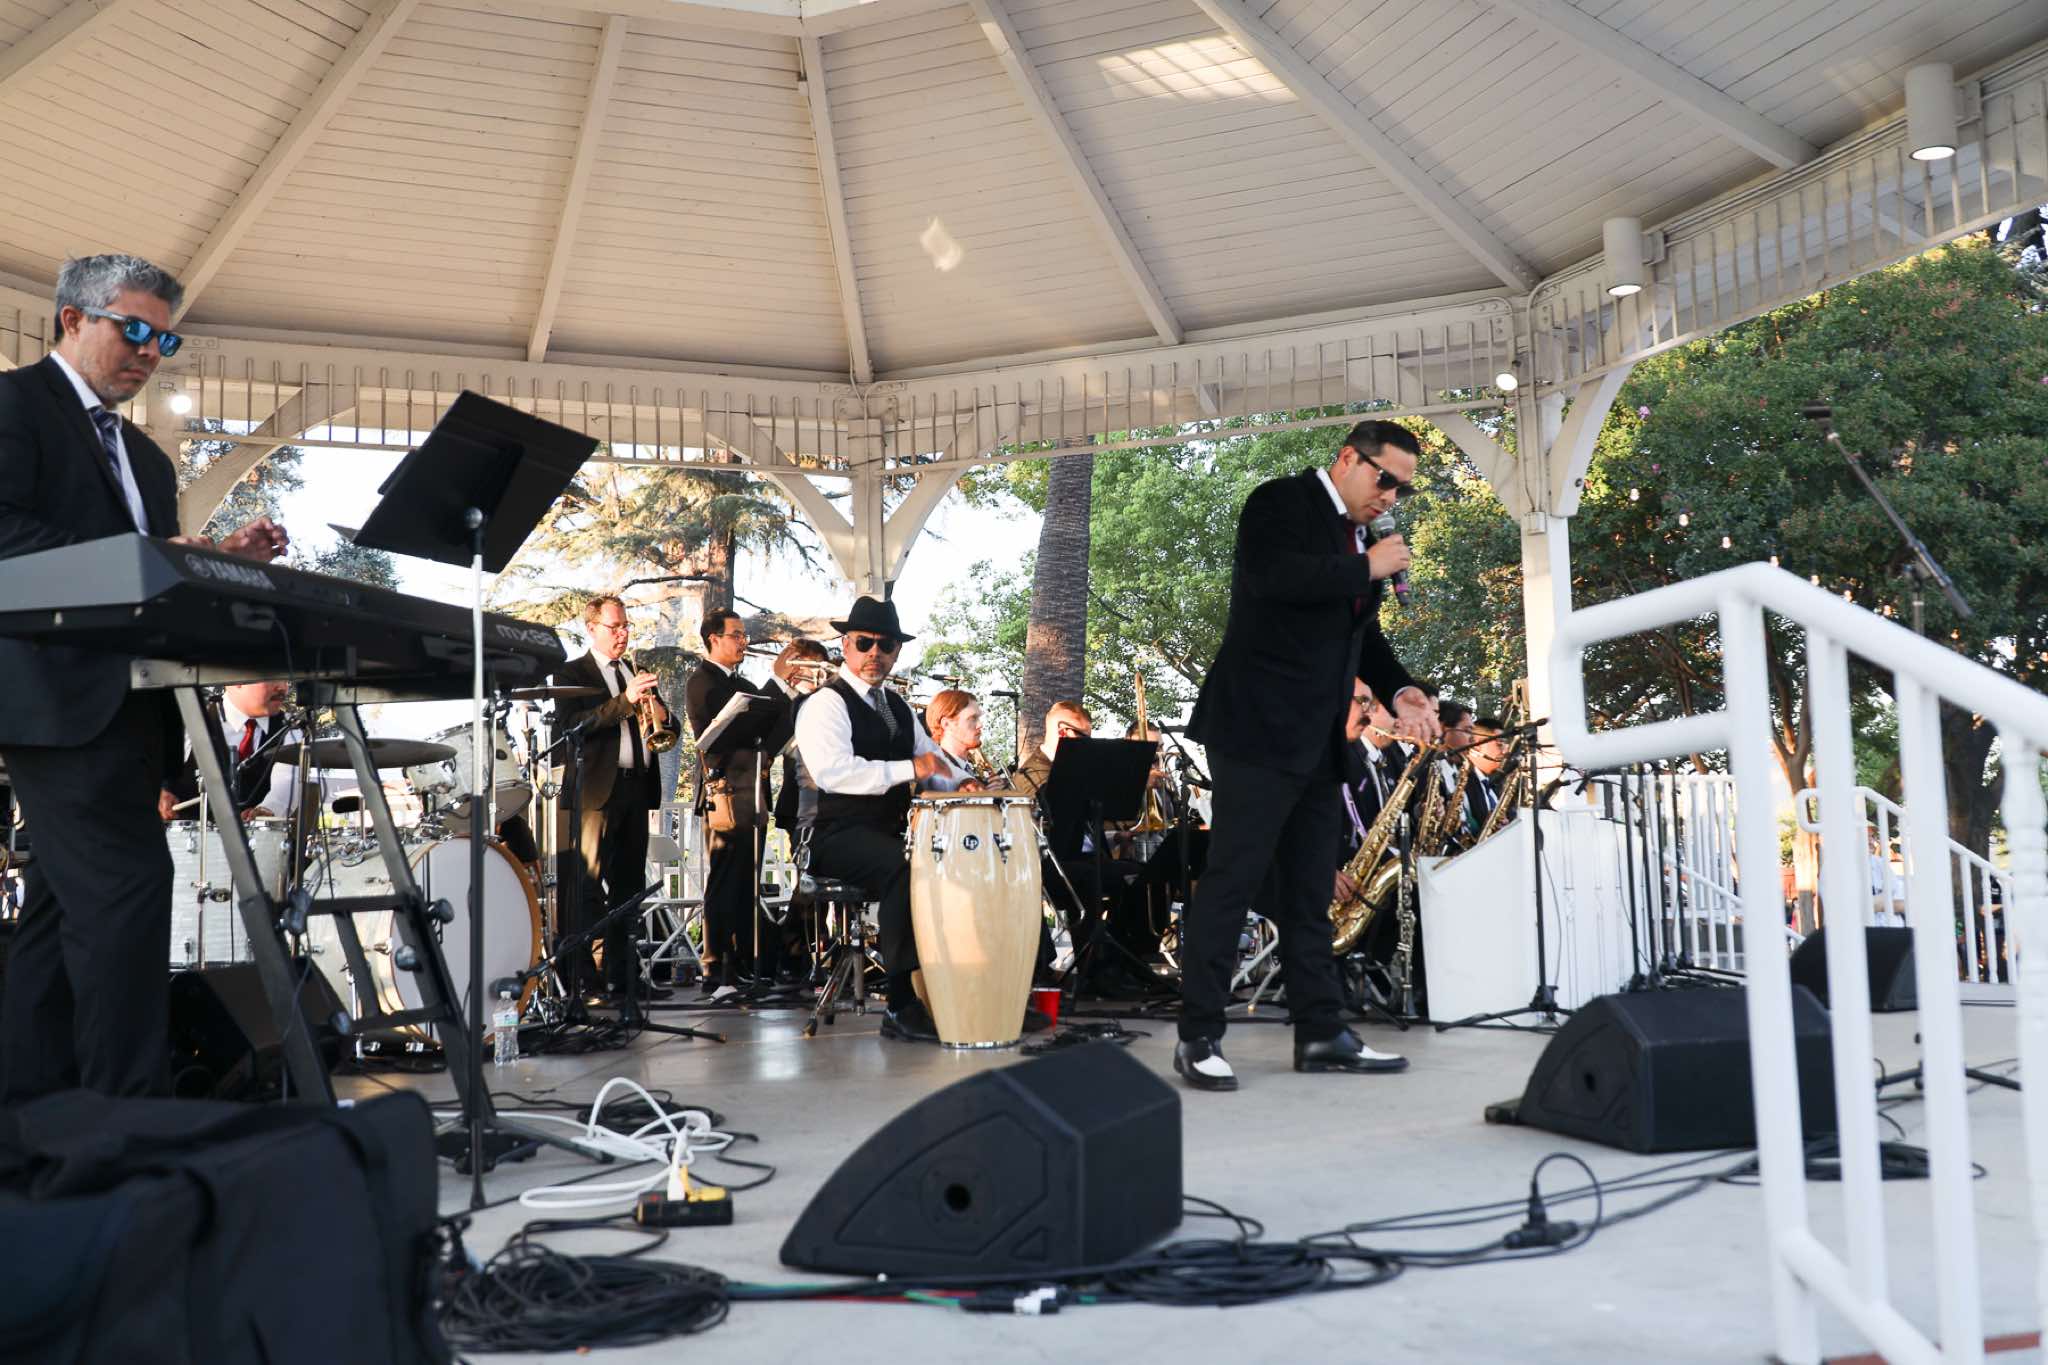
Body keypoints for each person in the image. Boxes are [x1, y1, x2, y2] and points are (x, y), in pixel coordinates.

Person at [0, 253, 288, 1101]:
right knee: (128, 891)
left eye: (165, 339)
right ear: (72, 319)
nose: (150, 352)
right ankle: (128, 1125)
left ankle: (28, 1114)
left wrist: (217, 562)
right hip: (54, 697)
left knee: (60, 914)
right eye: (133, 330)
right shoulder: (13, 407)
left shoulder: (149, 461)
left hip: (139, 709)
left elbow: (153, 580)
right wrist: (149, 554)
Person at [1174, 419, 1441, 1092]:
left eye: (1402, 490)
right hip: (1257, 728)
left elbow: (1362, 639)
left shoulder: (1360, 541)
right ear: (1348, 458)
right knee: (1234, 879)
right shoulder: (1281, 501)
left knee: (1309, 889)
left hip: (1320, 737)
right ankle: (1198, 1034)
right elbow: (1273, 578)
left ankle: (1322, 1030)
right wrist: (1367, 567)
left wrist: (1401, 689)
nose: (1391, 497)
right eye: (1385, 479)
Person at [793, 596, 961, 1042]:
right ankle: (901, 1005)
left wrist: (966, 785)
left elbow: (934, 760)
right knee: (905, 867)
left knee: (952, 861)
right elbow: (834, 773)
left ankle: (964, 985)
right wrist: (911, 770)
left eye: (885, 645)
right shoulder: (825, 704)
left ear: (897, 652)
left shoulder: (899, 707)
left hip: (887, 833)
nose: (875, 653)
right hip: (832, 835)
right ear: (845, 646)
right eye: (864, 642)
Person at [551, 595, 675, 1004]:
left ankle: (623, 977)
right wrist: (626, 701)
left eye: (626, 626)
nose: (623, 634)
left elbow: (667, 727)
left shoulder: (632, 671)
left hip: (635, 788)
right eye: (614, 627)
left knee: (629, 887)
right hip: (594, 792)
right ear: (592, 629)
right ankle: (582, 980)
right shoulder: (571, 672)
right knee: (584, 887)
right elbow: (572, 726)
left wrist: (661, 712)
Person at [682, 607, 772, 1002]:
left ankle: (745, 963)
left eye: (744, 635)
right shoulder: (702, 682)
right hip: (724, 794)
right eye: (736, 635)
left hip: (751, 790)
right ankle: (715, 965)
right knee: (723, 880)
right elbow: (712, 735)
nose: (743, 642)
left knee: (747, 881)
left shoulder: (746, 684)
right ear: (713, 639)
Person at [159, 680, 313, 823]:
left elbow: (287, 782)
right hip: (188, 841)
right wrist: (160, 793)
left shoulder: (291, 730)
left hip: (257, 841)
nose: (283, 688)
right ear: (237, 681)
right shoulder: (187, 723)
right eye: (271, 678)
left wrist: (268, 809)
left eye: (285, 680)